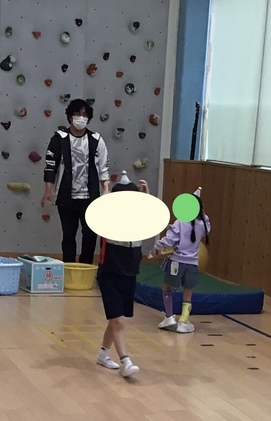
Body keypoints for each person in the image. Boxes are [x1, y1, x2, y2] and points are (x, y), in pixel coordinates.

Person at [40, 99, 110, 264]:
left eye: (85, 114)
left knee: (90, 235)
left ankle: (86, 268)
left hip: (90, 198)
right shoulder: (59, 138)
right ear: (70, 117)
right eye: (77, 113)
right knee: (68, 236)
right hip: (66, 198)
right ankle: (69, 268)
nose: (81, 117)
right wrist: (48, 191)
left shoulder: (96, 139)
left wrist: (106, 189)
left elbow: (103, 168)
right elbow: (50, 166)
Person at [95, 174, 150, 378]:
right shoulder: (107, 222)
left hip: (130, 274)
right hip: (109, 274)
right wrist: (106, 191)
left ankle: (103, 354)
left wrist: (146, 195)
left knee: (116, 319)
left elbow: (150, 214)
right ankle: (125, 361)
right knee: (118, 321)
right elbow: (100, 209)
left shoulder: (139, 223)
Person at [150, 188, 210, 333]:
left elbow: (169, 239)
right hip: (192, 264)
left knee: (167, 288)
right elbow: (207, 224)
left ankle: (169, 316)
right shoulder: (203, 225)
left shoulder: (180, 223)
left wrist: (157, 247)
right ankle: (183, 321)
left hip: (176, 262)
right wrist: (202, 211)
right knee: (188, 292)